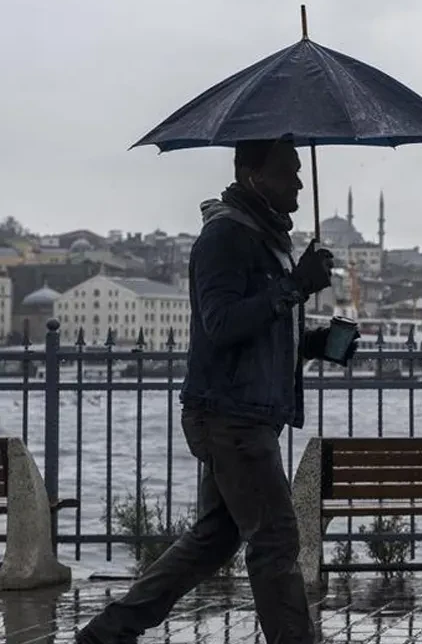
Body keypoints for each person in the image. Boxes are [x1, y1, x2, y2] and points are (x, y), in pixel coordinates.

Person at [76, 139, 358, 644]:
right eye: (287, 171)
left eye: (299, 171)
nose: (298, 181)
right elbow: (221, 322)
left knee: (214, 538)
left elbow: (265, 329)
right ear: (254, 177)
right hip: (229, 415)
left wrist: (319, 341)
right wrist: (295, 286)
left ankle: (109, 631)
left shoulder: (267, 238)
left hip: (244, 412)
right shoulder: (225, 236)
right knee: (274, 538)